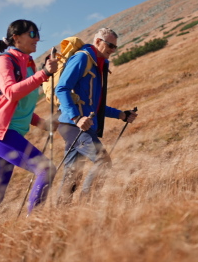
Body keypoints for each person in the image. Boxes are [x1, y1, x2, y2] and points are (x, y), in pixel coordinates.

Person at [0, 19, 58, 233]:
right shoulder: (4, 61)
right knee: (46, 169)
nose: (37, 38)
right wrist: (44, 74)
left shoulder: (27, 64)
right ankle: (34, 229)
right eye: (32, 33)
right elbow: (11, 92)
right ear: (16, 37)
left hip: (5, 132)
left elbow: (21, 106)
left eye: (38, 33)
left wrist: (42, 124)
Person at [55, 28, 138, 203]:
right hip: (73, 124)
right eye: (110, 45)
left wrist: (121, 115)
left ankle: (60, 214)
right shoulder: (83, 58)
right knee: (103, 161)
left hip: (81, 125)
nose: (112, 50)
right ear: (98, 41)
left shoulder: (98, 65)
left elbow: (95, 105)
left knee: (73, 174)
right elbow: (61, 89)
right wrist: (77, 118)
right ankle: (88, 203)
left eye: (115, 47)